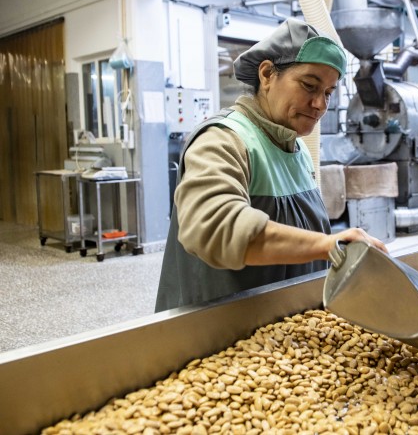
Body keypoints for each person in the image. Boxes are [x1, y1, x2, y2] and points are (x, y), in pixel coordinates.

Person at [156, 19, 387, 312]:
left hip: (283, 329)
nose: (319, 104)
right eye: (309, 85)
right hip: (220, 334)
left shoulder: (297, 149)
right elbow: (214, 227)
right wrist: (328, 245)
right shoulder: (224, 140)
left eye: (328, 92)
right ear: (266, 74)